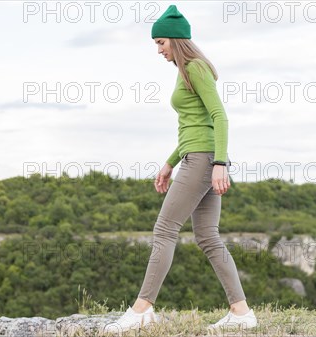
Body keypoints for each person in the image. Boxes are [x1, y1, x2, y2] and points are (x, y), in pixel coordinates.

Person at [102, 4, 258, 335]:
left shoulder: (196, 67)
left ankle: (142, 309)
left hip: (204, 159)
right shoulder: (184, 70)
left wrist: (219, 163)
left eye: (161, 43)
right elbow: (193, 124)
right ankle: (241, 312)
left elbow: (219, 117)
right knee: (207, 236)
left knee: (164, 229)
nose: (158, 50)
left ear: (176, 39)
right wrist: (170, 162)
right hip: (195, 155)